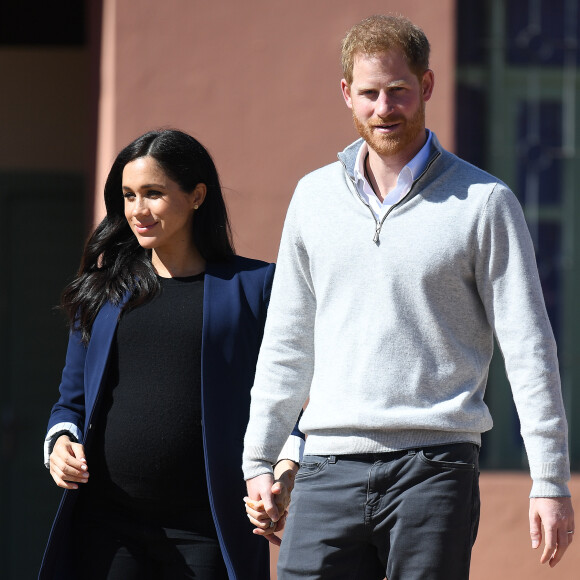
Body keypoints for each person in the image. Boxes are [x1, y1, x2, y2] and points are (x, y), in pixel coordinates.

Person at [242, 14, 575, 580]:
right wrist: (259, 458)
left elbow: (528, 348)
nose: (383, 108)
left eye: (397, 90)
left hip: (434, 468)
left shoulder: (484, 202)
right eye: (369, 93)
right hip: (326, 467)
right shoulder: (313, 198)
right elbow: (286, 342)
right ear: (346, 93)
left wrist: (548, 479)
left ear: (426, 85)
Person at [40, 129, 303, 580]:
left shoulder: (256, 287)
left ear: (197, 195)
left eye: (153, 194)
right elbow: (70, 402)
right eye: (128, 196)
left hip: (207, 527)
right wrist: (60, 445)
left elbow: (287, 396)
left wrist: (284, 467)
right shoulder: (101, 293)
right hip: (108, 526)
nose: (137, 210)